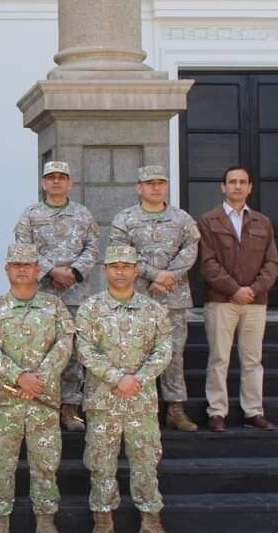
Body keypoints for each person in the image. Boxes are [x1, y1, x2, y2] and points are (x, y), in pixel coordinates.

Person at [75, 245, 172, 533]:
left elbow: (164, 349)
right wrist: (117, 378)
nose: (120, 271)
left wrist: (138, 378)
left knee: (146, 461)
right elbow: (84, 349)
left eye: (126, 266)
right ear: (105, 270)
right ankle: (103, 519)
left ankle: (150, 518)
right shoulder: (90, 309)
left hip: (141, 400)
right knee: (101, 462)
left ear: (136, 271)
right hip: (103, 399)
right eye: (114, 266)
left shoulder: (153, 310)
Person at [0, 243, 73, 533]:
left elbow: (65, 343)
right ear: (7, 269)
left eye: (27, 265)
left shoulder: (54, 306)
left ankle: (45, 520)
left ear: (37, 270)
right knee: (2, 464)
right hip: (6, 402)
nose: (21, 269)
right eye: (16, 265)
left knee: (45, 463)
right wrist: (19, 376)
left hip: (43, 400)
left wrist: (38, 378)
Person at [109, 165, 201, 432]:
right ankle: (138, 407)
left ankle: (174, 408)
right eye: (150, 183)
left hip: (174, 298)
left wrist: (169, 276)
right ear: (139, 187)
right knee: (135, 353)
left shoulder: (182, 218)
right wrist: (154, 274)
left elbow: (191, 249)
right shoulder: (125, 219)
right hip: (136, 297)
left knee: (173, 354)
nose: (156, 187)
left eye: (161, 182)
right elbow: (121, 253)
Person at [14, 161, 99, 432]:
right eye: (51, 177)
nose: (56, 182)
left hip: (74, 293)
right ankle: (43, 403)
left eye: (62, 177)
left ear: (69, 183)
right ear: (43, 183)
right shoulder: (30, 215)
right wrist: (51, 271)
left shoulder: (83, 214)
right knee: (40, 348)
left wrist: (73, 271)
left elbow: (93, 247)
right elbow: (23, 248)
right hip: (41, 294)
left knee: (72, 350)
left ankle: (70, 406)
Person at [198, 166, 278, 432]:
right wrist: (234, 289)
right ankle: (216, 412)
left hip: (255, 302)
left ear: (250, 187)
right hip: (221, 301)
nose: (237, 186)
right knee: (219, 358)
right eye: (232, 182)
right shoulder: (208, 220)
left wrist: (253, 290)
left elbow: (272, 263)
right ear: (223, 187)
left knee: (252, 359)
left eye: (242, 182)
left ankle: (253, 412)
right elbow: (207, 263)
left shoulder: (262, 222)